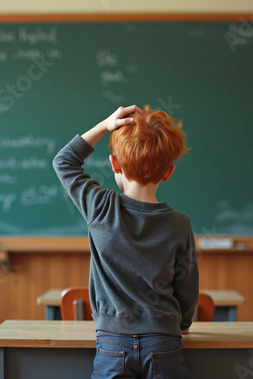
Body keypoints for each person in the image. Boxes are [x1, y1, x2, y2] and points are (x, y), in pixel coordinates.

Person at [53, 104, 199, 379]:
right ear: (169, 172)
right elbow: (187, 283)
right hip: (163, 340)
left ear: (115, 164)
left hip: (112, 342)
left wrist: (105, 125)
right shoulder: (180, 224)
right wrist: (184, 324)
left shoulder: (100, 207)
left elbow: (64, 161)